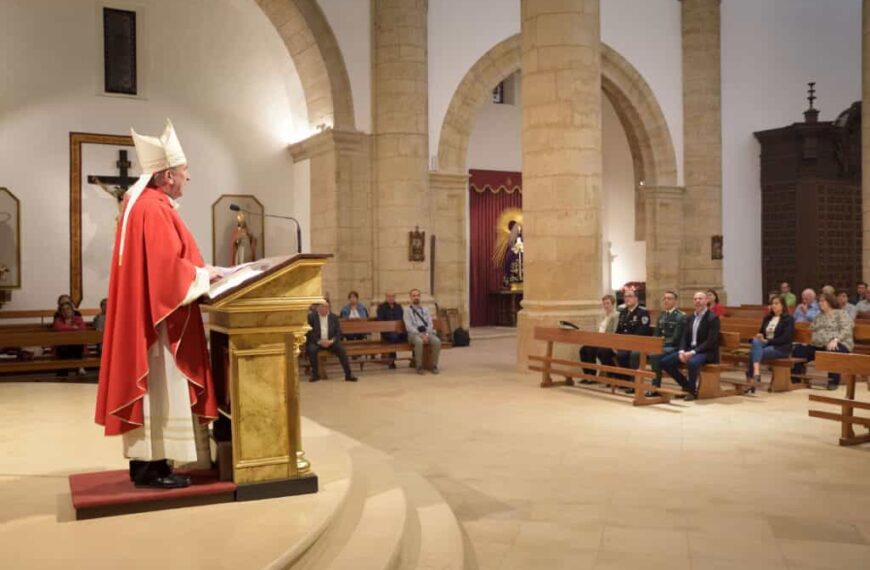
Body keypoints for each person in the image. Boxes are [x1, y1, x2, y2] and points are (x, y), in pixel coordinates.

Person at [95, 119, 222, 490]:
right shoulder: (153, 208)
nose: (188, 177)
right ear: (167, 175)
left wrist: (200, 271)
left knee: (159, 393)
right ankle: (152, 468)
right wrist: (203, 276)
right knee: (160, 389)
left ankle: (152, 464)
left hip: (154, 317)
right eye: (184, 171)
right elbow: (167, 272)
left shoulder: (144, 204)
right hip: (160, 323)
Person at [659, 291, 721, 401]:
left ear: (706, 301)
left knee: (692, 362)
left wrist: (693, 352)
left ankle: (692, 392)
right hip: (689, 350)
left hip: (706, 352)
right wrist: (682, 350)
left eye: (700, 299)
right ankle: (686, 385)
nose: (697, 301)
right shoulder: (690, 317)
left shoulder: (712, 318)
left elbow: (711, 341)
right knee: (665, 362)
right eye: (695, 299)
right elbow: (684, 337)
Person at [792, 292, 853, 390]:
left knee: (833, 350)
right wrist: (806, 341)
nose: (820, 303)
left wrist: (835, 339)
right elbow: (811, 329)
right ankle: (796, 378)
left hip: (840, 342)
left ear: (830, 302)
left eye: (822, 301)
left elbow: (846, 329)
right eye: (819, 301)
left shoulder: (841, 313)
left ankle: (833, 382)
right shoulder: (819, 316)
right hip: (818, 344)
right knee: (799, 350)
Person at [597, 288, 651, 392]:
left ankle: (630, 382)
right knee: (603, 351)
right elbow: (618, 331)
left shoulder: (642, 313)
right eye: (625, 296)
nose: (627, 298)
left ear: (636, 298)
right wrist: (614, 344)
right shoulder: (623, 312)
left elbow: (642, 333)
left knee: (622, 354)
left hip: (636, 344)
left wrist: (624, 345)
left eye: (630, 296)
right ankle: (616, 377)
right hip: (623, 344)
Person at [746, 295, 794, 385]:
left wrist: (768, 341)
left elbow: (786, 338)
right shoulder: (767, 318)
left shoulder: (788, 319)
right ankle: (756, 372)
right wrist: (760, 336)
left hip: (781, 348)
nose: (773, 306)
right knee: (756, 342)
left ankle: (751, 377)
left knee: (753, 353)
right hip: (766, 345)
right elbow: (762, 333)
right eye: (772, 304)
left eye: (776, 303)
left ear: (782, 305)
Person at [307, 301, 358, 382]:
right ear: (318, 308)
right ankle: (315, 374)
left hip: (331, 342)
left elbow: (338, 332)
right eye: (323, 307)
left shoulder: (334, 317)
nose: (325, 309)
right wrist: (319, 341)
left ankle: (348, 374)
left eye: (327, 307)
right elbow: (309, 332)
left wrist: (331, 341)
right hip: (317, 342)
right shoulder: (311, 317)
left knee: (341, 350)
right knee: (311, 349)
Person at [649, 290, 686, 392]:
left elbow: (676, 338)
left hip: (674, 347)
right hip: (662, 346)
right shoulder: (662, 315)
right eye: (665, 298)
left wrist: (660, 345)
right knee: (641, 353)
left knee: (654, 355)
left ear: (675, 301)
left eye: (669, 299)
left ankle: (655, 387)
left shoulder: (680, 316)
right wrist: (654, 344)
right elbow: (656, 334)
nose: (666, 301)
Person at [577, 294, 618, 383]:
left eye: (608, 303)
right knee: (584, 349)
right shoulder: (604, 316)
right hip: (599, 340)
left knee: (593, 351)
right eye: (604, 304)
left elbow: (614, 331)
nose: (606, 306)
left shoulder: (616, 316)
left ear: (613, 304)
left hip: (607, 342)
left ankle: (598, 376)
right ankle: (588, 374)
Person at [404, 288, 441, 374]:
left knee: (437, 341)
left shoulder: (425, 309)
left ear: (420, 297)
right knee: (419, 341)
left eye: (417, 295)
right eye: (414, 296)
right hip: (413, 334)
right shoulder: (407, 311)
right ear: (410, 297)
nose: (416, 297)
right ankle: (419, 366)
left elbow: (430, 324)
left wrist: (427, 334)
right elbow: (409, 326)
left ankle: (434, 365)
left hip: (426, 333)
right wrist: (421, 335)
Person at [53, 300, 86, 376]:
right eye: (63, 310)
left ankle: (79, 367)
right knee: (63, 348)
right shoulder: (58, 320)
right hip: (63, 345)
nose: (66, 311)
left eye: (68, 309)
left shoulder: (78, 318)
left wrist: (68, 328)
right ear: (60, 312)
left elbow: (82, 328)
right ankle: (64, 373)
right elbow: (59, 328)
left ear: (72, 310)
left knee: (78, 345)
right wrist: (74, 328)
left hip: (76, 345)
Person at [376, 290, 406, 369]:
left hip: (398, 331)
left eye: (392, 296)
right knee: (393, 336)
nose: (391, 298)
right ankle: (392, 360)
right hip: (387, 332)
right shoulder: (381, 307)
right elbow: (380, 321)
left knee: (411, 335)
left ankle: (415, 359)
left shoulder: (398, 307)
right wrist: (391, 328)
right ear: (386, 297)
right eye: (389, 296)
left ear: (395, 297)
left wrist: (400, 329)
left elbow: (401, 319)